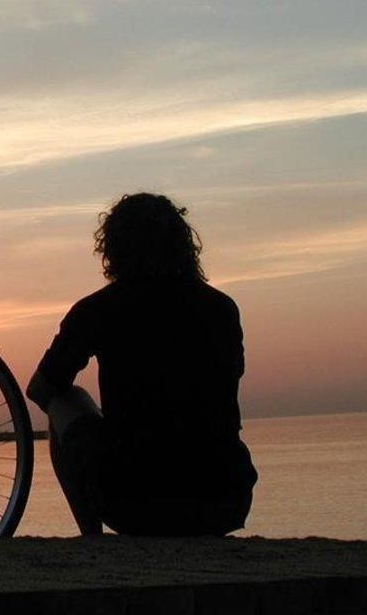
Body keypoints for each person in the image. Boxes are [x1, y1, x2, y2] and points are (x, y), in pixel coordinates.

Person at [26, 192, 257, 536]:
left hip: (134, 502)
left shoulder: (97, 310)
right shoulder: (222, 308)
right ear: (183, 244)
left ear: (113, 249)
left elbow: (41, 389)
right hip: (225, 499)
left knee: (65, 397)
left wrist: (98, 422)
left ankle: (93, 539)